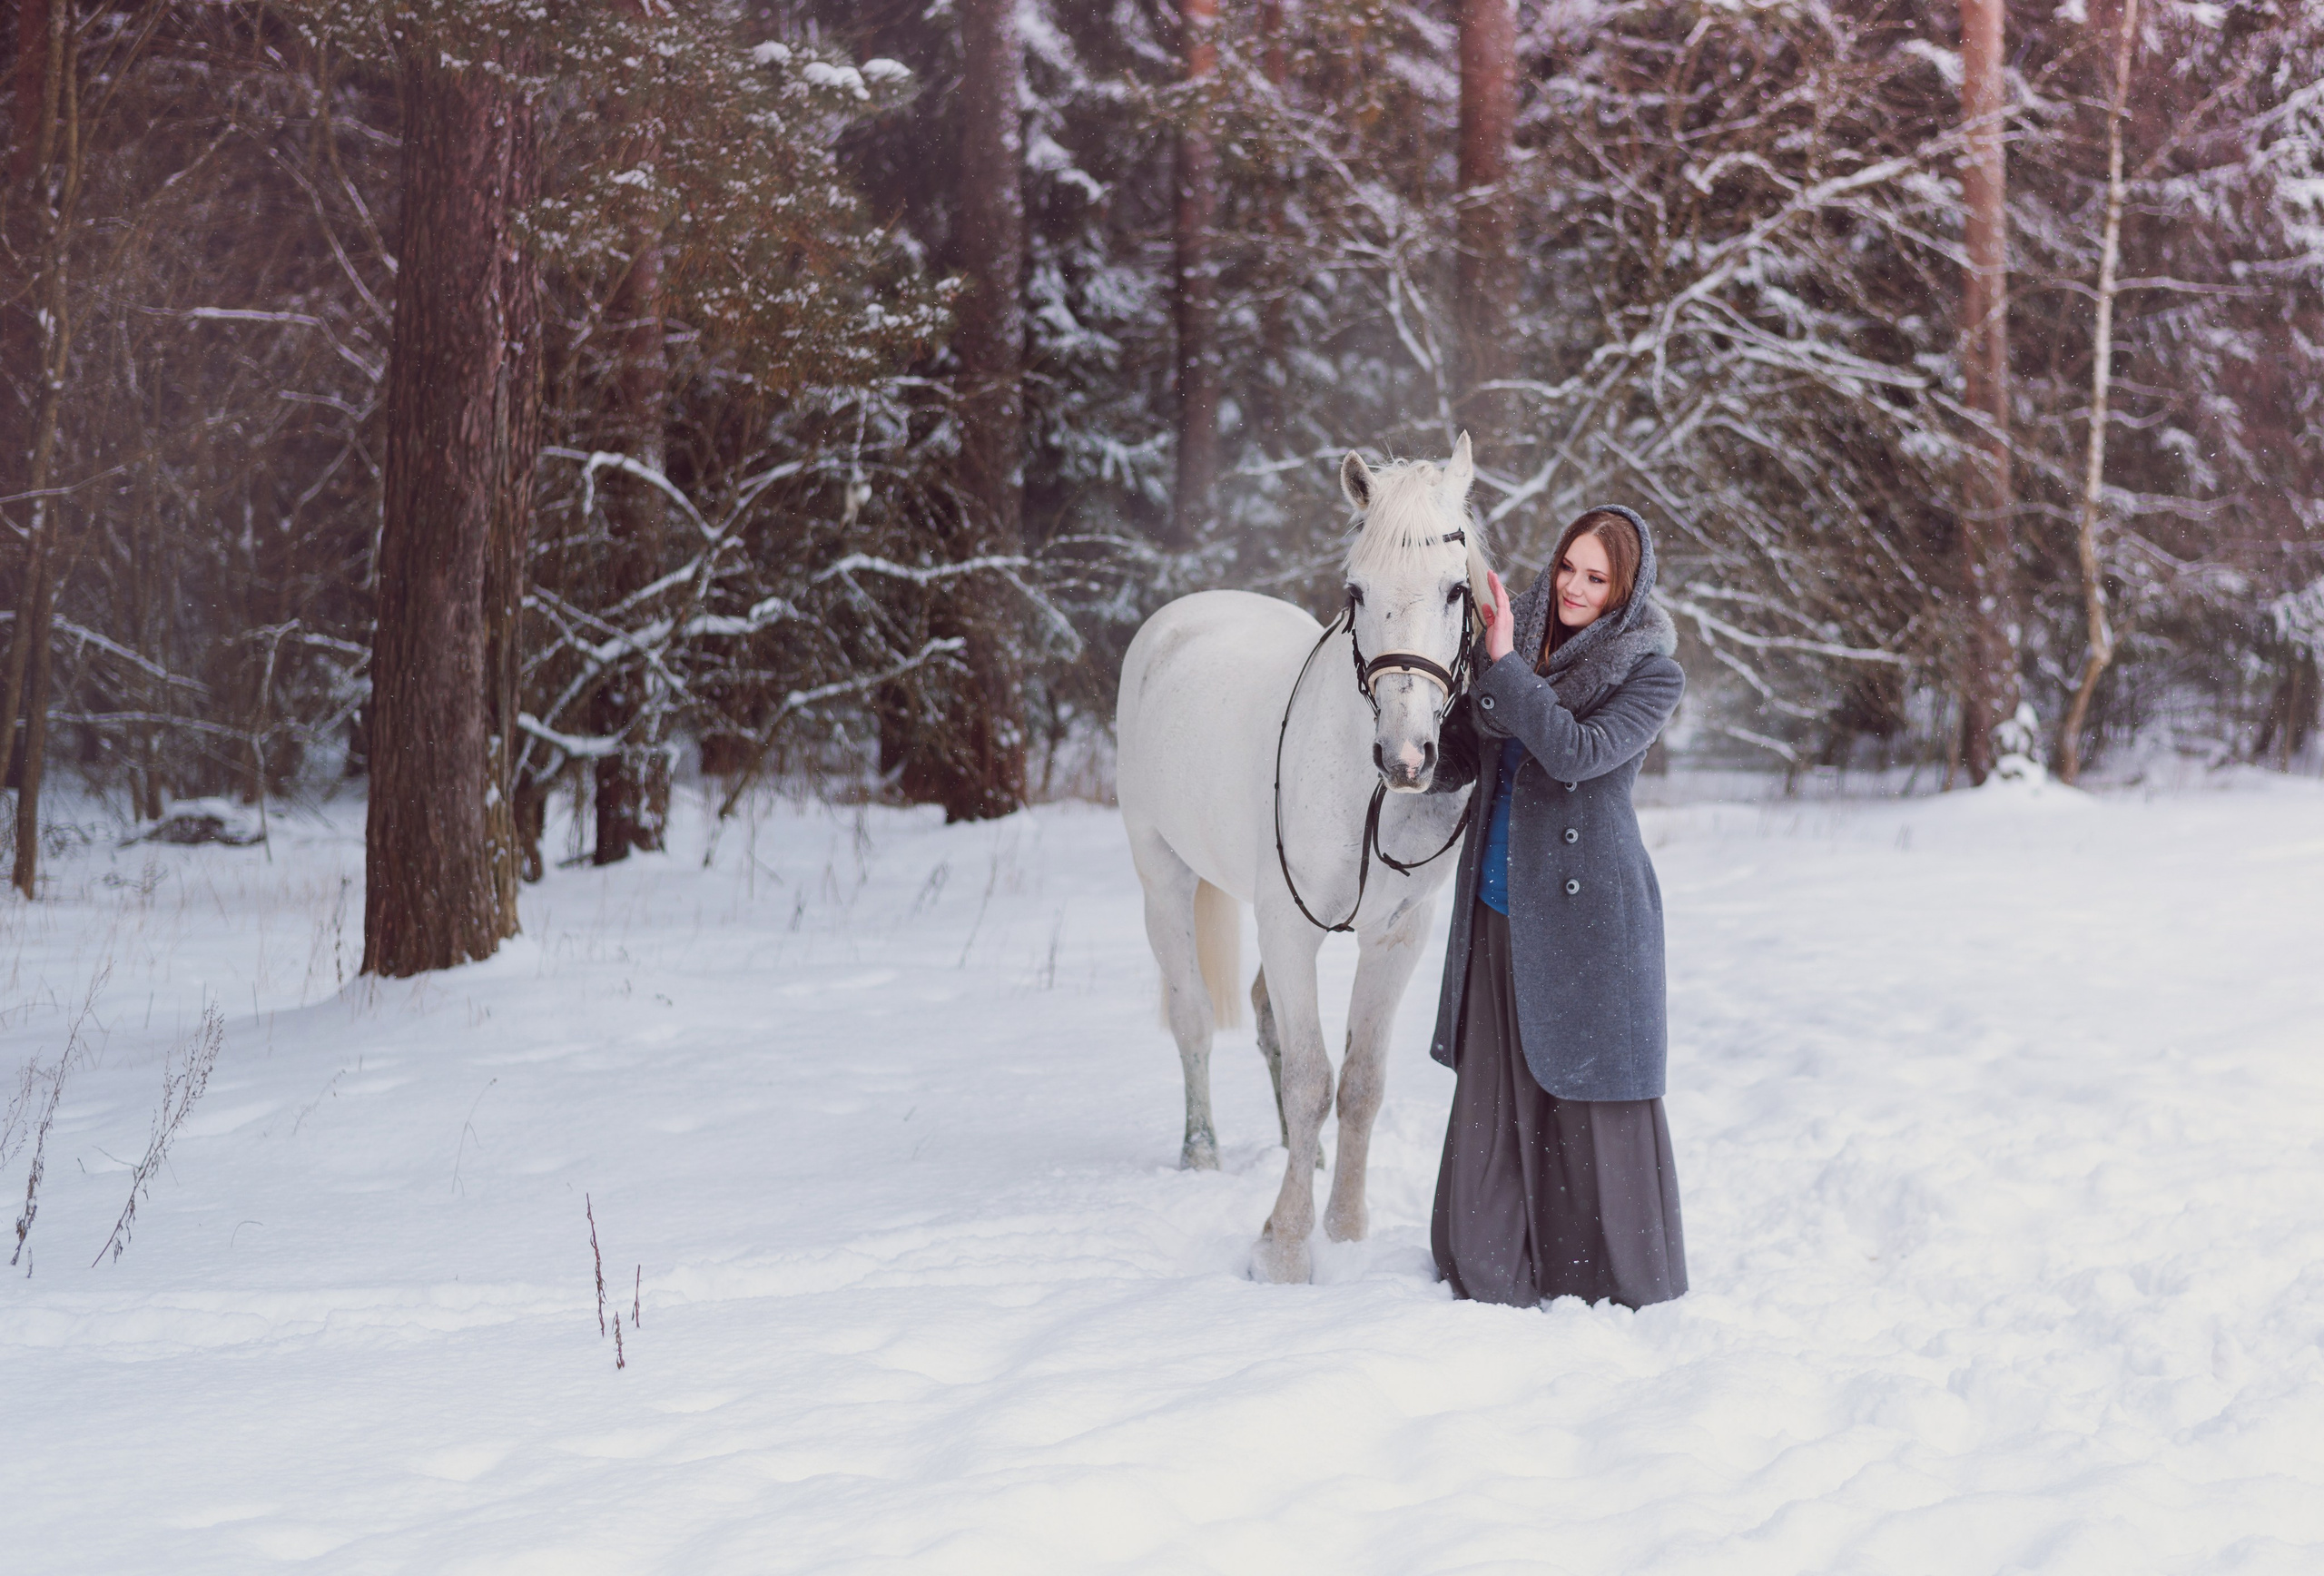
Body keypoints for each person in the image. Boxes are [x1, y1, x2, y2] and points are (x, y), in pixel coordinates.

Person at [1428, 505, 1689, 1310]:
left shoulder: (1650, 671)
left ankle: (1603, 1275)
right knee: (1494, 1092)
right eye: (1568, 566)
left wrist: (1504, 667)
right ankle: (1495, 1261)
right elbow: (1463, 759)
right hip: (1499, 902)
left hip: (1592, 918)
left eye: (1596, 577)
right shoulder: (1515, 637)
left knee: (1590, 1092)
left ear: (1626, 588)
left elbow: (1578, 755)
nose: (1573, 586)